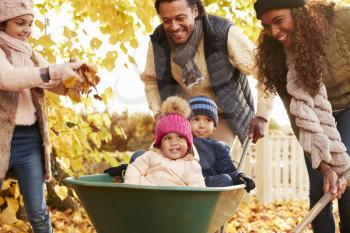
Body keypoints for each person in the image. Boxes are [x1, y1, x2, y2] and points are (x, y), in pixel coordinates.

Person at [253, 0, 350, 232]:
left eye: (279, 21)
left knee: (347, 183)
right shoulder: (276, 56)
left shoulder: (342, 21)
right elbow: (297, 117)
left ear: (300, 12)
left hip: (349, 104)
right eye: (267, 26)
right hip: (313, 118)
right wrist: (324, 167)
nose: (273, 32)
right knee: (319, 188)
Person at [140, 0, 274, 148]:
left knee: (212, 160)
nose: (174, 26)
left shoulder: (223, 33)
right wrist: (159, 114)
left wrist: (262, 116)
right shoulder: (158, 40)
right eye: (166, 21)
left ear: (195, 11)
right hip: (183, 117)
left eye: (180, 18)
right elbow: (151, 79)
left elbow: (264, 69)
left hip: (220, 116)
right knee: (173, 164)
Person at [0, 0, 84, 232]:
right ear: (2, 23)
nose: (27, 29)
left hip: (29, 141)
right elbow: (8, 79)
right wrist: (53, 71)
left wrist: (74, 77)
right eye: (20, 23)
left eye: (30, 23)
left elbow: (54, 83)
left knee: (37, 210)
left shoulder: (31, 54)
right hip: (1, 139)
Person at [124, 96, 205, 187]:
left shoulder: (191, 165)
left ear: (188, 143)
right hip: (147, 194)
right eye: (167, 138)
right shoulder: (152, 156)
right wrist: (132, 187)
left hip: (174, 198)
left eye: (180, 137)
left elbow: (198, 187)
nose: (174, 143)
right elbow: (135, 168)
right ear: (160, 144)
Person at [188, 95, 255, 191]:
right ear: (187, 122)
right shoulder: (183, 143)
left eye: (208, 120)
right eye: (196, 119)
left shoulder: (219, 148)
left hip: (207, 185)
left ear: (214, 125)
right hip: (186, 183)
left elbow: (228, 170)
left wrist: (240, 176)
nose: (202, 125)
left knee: (225, 179)